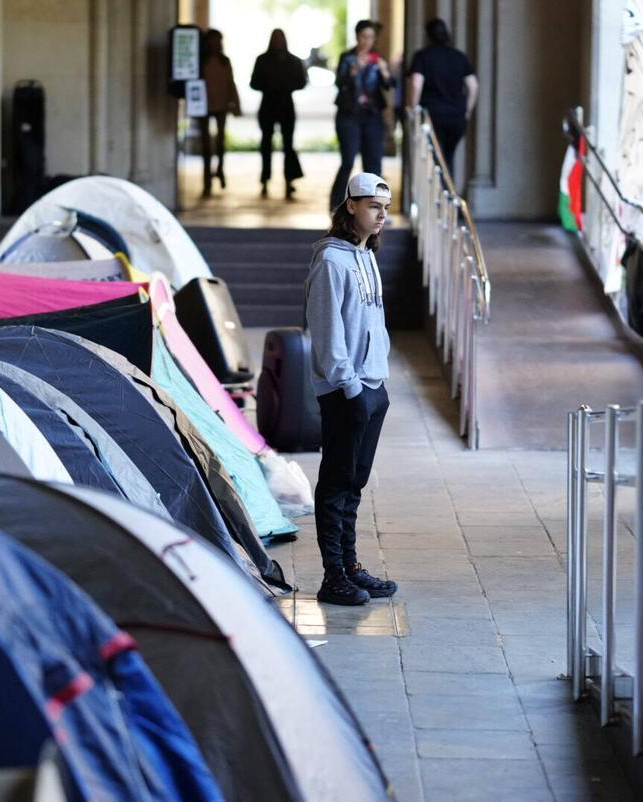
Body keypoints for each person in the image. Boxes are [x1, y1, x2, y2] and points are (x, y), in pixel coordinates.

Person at [304, 173, 399, 605]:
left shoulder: (366, 255)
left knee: (354, 481)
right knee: (337, 480)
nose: (383, 215)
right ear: (351, 208)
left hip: (373, 383)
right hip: (347, 389)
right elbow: (327, 331)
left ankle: (350, 566)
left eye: (386, 207)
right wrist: (348, 384)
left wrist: (377, 379)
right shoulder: (331, 261)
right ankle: (333, 577)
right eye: (374, 207)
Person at [329, 20, 392, 211]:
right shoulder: (347, 57)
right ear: (357, 37)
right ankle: (337, 205)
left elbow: (389, 85)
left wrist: (384, 70)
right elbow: (339, 83)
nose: (367, 41)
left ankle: (375, 207)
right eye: (364, 36)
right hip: (349, 116)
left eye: (371, 37)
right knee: (347, 161)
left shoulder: (377, 58)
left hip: (372, 116)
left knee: (373, 162)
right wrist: (354, 70)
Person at [406, 18, 478, 174]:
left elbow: (416, 83)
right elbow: (473, 86)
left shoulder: (423, 56)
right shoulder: (459, 56)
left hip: (433, 115)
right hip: (457, 116)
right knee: (447, 157)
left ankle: (440, 196)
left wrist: (413, 109)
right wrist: (467, 110)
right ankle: (447, 194)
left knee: (435, 160)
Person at [250, 29, 307, 199]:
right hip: (268, 105)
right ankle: (265, 180)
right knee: (266, 145)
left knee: (288, 145)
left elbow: (302, 82)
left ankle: (289, 180)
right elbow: (254, 82)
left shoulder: (293, 61)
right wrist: (270, 86)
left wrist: (285, 86)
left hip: (285, 105)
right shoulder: (262, 60)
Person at [198, 29, 241, 198]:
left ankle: (220, 170)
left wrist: (235, 103)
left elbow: (231, 83)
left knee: (220, 142)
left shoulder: (225, 62)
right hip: (205, 106)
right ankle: (207, 179)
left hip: (221, 106)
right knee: (206, 145)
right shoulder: (202, 62)